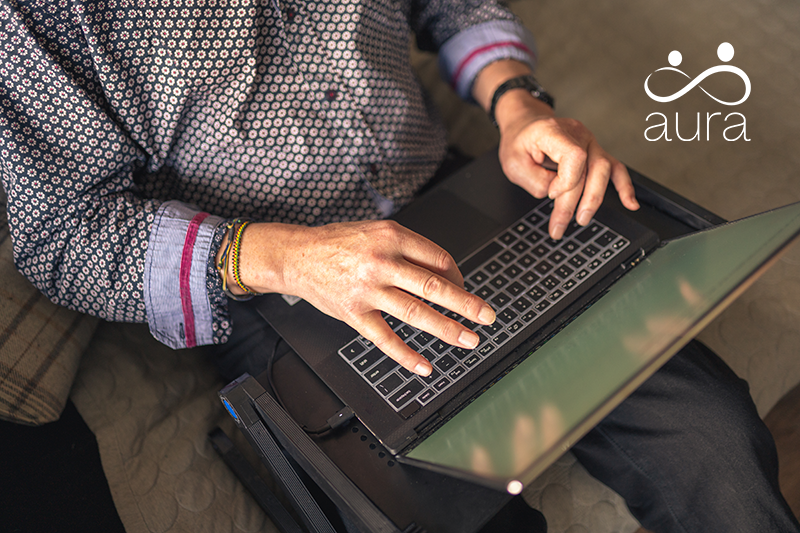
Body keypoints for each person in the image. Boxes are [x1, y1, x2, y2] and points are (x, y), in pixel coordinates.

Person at [0, 1, 797, 532]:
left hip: (454, 192)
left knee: (716, 438)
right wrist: (288, 256)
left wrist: (518, 101)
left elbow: (451, 4)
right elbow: (64, 233)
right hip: (276, 285)